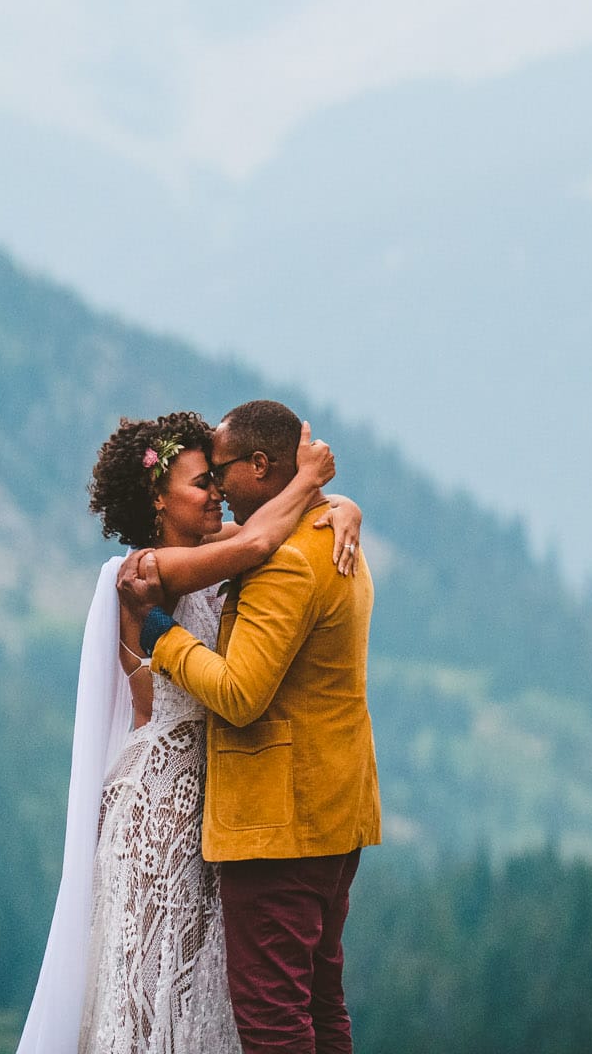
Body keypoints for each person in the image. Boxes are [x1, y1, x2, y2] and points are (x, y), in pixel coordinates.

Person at [18, 411, 361, 1054]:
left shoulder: (212, 548)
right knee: (153, 989)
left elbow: (271, 528)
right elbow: (262, 544)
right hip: (164, 807)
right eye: (204, 482)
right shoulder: (147, 571)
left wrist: (343, 506)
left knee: (214, 992)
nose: (219, 493)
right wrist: (313, 478)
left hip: (221, 801)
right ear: (157, 497)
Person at [128, 399, 379, 1053]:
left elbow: (240, 694)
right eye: (202, 477)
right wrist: (338, 499)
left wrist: (164, 636)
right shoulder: (326, 531)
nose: (219, 488)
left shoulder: (286, 558)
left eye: (222, 471)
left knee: (273, 1018)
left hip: (279, 824)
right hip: (331, 812)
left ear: (260, 465)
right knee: (321, 1003)